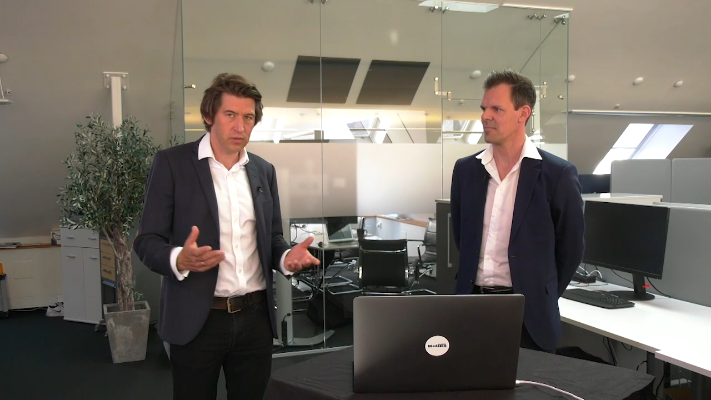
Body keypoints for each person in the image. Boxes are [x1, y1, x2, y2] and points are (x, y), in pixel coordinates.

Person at [134, 73, 320, 400]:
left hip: (255, 319)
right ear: (209, 116)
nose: (240, 126)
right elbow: (147, 240)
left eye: (248, 117)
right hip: (198, 319)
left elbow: (272, 237)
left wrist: (285, 257)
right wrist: (179, 258)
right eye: (230, 115)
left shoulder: (263, 170)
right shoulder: (173, 164)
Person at [450, 70, 584, 353]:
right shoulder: (465, 170)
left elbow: (571, 249)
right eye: (484, 108)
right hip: (471, 307)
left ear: (523, 113)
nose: (485, 116)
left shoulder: (557, 174)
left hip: (529, 316)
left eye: (496, 109)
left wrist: (542, 294)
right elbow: (462, 237)